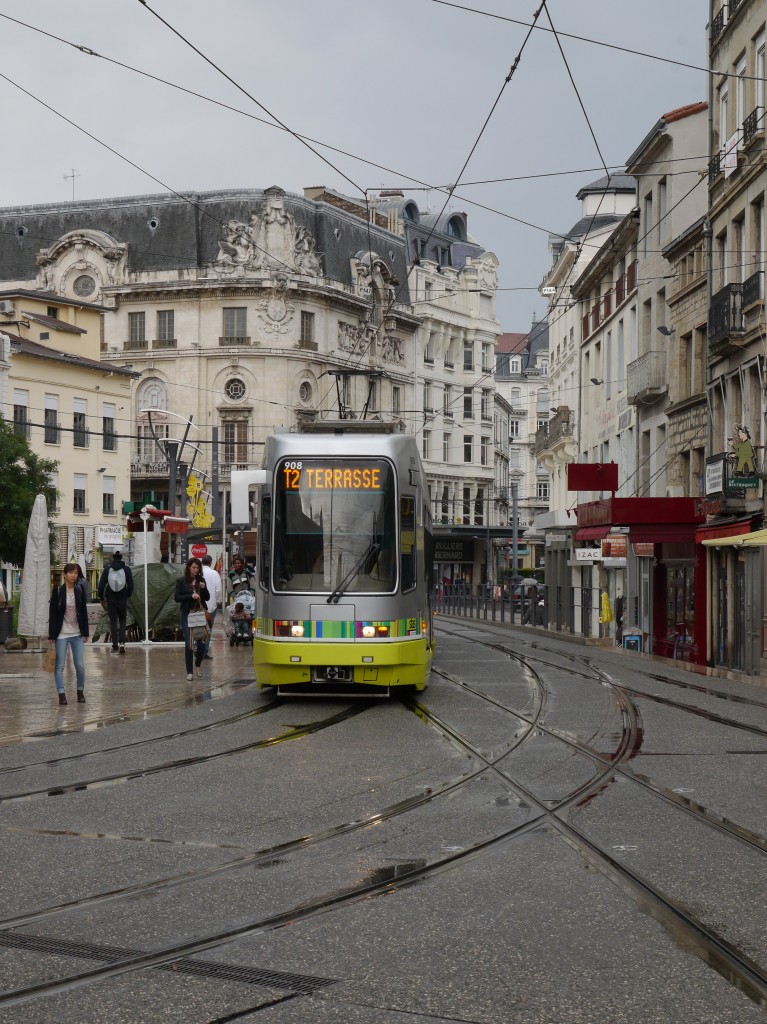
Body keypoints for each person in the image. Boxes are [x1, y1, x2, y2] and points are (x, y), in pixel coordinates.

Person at [48, 562, 90, 706]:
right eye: (71, 572)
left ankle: (80, 692)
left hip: (77, 633)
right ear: (65, 574)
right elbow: (52, 614)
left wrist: (86, 632)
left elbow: (84, 612)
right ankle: (61, 694)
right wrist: (52, 635)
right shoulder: (58, 591)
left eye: (76, 573)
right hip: (61, 634)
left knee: (80, 665)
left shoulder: (80, 590)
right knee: (59, 665)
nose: (73, 575)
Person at [174, 557, 210, 680]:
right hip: (186, 614)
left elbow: (207, 598)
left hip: (199, 614)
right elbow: (177, 597)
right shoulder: (181, 581)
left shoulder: (201, 580)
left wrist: (203, 588)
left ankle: (198, 663)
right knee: (189, 643)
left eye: (198, 567)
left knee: (201, 642)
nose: (196, 570)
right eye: (194, 567)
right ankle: (189, 672)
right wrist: (191, 595)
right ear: (189, 567)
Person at [97, 551, 134, 654]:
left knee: (113, 622)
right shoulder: (126, 569)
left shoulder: (108, 569)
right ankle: (122, 643)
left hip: (111, 599)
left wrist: (101, 598)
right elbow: (131, 585)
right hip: (122, 599)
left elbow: (100, 586)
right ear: (121, 557)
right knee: (122, 621)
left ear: (113, 557)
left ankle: (115, 646)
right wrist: (127, 595)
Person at [201, 554, 222, 660]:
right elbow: (218, 590)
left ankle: (196, 648)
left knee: (198, 627)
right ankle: (204, 652)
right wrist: (215, 601)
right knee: (208, 629)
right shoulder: (214, 573)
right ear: (210, 562)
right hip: (211, 606)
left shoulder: (198, 573)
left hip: (199, 606)